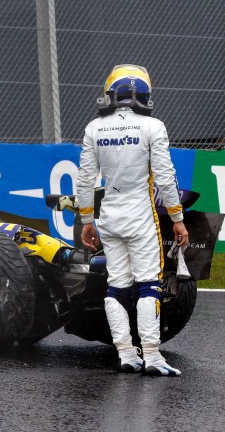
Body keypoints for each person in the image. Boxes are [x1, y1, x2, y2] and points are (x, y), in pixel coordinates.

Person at [76, 64, 189, 376]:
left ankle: (126, 353)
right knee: (149, 285)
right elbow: (166, 177)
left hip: (108, 219)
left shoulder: (93, 128)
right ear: (146, 94)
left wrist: (87, 219)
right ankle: (152, 356)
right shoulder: (153, 127)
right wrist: (177, 218)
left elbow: (85, 179)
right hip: (141, 219)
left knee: (116, 287)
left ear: (111, 93)